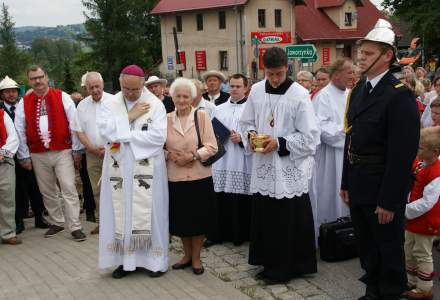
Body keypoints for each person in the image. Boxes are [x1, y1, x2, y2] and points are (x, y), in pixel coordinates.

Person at [340, 19, 420, 300]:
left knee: (388, 248)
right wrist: (345, 181)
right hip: (359, 181)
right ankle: (372, 290)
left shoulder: (399, 97)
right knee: (367, 245)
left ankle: (389, 292)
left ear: (387, 56)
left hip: (383, 186)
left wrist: (389, 200)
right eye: (361, 52)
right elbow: (351, 138)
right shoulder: (360, 90)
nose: (361, 57)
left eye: (369, 53)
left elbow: (402, 155)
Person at [240, 47, 319, 284]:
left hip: (287, 169)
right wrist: (252, 134)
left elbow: (311, 137)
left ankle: (287, 268)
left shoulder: (299, 94)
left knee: (286, 220)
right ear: (264, 70)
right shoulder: (255, 90)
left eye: (280, 74)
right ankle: (267, 262)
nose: (275, 79)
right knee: (266, 218)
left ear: (288, 69)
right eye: (270, 74)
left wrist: (281, 142)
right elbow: (246, 122)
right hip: (263, 166)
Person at [97, 65, 169, 279]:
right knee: (120, 214)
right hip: (118, 167)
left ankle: (154, 262)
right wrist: (129, 117)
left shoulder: (155, 105)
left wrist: (124, 136)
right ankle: (124, 262)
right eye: (125, 88)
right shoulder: (111, 102)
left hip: (148, 169)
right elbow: (103, 132)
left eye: (134, 90)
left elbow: (158, 138)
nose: (129, 93)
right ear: (120, 83)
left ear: (142, 84)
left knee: (151, 213)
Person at [15, 65, 86, 242]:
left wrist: (77, 149)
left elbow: (74, 123)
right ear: (29, 81)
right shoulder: (24, 102)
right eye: (33, 78)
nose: (37, 81)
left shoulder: (62, 96)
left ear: (46, 77)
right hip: (38, 153)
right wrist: (23, 155)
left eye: (40, 77)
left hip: (63, 150)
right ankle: (57, 222)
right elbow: (19, 129)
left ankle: (75, 226)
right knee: (47, 191)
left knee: (68, 187)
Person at [165, 77, 217, 275]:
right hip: (175, 177)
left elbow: (212, 146)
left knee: (199, 220)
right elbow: (157, 148)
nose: (181, 100)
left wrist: (193, 155)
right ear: (172, 97)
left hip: (199, 177)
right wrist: (170, 155)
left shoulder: (201, 117)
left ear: (192, 98)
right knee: (182, 220)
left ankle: (196, 258)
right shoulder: (166, 119)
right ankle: (186, 255)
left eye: (186, 96)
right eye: (178, 96)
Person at [309, 58, 354, 238]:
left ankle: (349, 234)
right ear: (336, 75)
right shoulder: (323, 96)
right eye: (349, 72)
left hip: (350, 153)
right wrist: (348, 133)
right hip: (331, 156)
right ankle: (329, 235)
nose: (353, 75)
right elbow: (320, 128)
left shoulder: (352, 93)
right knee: (331, 193)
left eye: (353, 72)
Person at [209, 73, 253, 246]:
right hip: (222, 159)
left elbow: (256, 132)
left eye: (238, 86)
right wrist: (219, 136)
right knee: (221, 197)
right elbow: (211, 132)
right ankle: (219, 234)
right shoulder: (219, 109)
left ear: (246, 88)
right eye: (232, 86)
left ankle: (240, 235)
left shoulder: (251, 109)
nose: (234, 89)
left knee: (240, 198)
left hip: (242, 159)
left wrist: (242, 139)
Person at [0, 76, 47, 234]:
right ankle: (18, 220)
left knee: (35, 185)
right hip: (9, 156)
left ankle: (39, 216)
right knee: (16, 189)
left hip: (28, 151)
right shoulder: (1, 111)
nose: (11, 94)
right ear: (2, 94)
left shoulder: (25, 106)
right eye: (7, 92)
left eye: (13, 91)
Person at [72, 72, 112, 235]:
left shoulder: (115, 101)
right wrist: (92, 148)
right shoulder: (82, 106)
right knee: (97, 190)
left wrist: (109, 147)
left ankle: (118, 224)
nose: (95, 90)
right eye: (91, 87)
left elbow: (124, 125)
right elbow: (79, 131)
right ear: (86, 89)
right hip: (93, 154)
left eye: (97, 86)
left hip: (114, 152)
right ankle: (103, 223)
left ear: (102, 85)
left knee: (116, 187)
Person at [403, 127, 440, 300]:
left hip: (426, 221)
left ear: (435, 152)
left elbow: (427, 202)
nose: (417, 151)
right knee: (409, 248)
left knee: (422, 252)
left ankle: (425, 288)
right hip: (413, 219)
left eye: (420, 148)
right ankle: (411, 281)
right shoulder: (421, 164)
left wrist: (405, 210)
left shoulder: (437, 173)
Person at [0, 105, 20, 244]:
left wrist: (2, 153)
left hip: (3, 161)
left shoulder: (2, 114)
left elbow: (13, 136)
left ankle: (8, 233)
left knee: (7, 197)